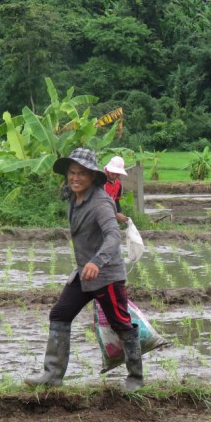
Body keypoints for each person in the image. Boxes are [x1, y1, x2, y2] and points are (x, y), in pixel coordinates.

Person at [25, 147, 143, 391]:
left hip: (106, 274)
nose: (75, 178)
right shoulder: (74, 197)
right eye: (71, 172)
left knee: (121, 323)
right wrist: (88, 265)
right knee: (60, 314)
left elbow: (113, 236)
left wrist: (96, 262)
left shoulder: (101, 203)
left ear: (92, 177)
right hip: (84, 273)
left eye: (81, 173)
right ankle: (52, 376)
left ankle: (135, 378)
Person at [103, 156, 129, 224]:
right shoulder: (101, 183)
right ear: (108, 170)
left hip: (109, 217)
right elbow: (99, 204)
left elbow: (116, 201)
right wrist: (116, 214)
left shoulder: (118, 184)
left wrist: (119, 213)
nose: (114, 176)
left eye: (117, 174)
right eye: (113, 173)